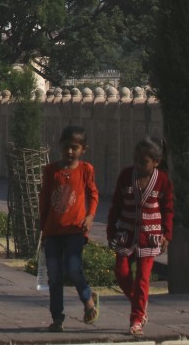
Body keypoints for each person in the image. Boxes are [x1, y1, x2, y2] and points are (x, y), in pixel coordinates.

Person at [107, 136, 173, 336]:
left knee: (143, 278)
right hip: (126, 235)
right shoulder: (126, 176)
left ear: (156, 162)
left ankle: (136, 319)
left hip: (149, 237)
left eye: (143, 162)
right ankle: (140, 303)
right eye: (136, 160)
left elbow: (168, 209)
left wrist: (166, 235)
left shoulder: (162, 180)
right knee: (121, 272)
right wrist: (111, 230)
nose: (138, 164)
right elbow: (116, 204)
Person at [39, 125, 99, 333]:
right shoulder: (51, 171)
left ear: (83, 149)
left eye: (75, 148)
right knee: (54, 275)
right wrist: (42, 228)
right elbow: (45, 198)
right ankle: (57, 317)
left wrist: (90, 217)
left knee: (73, 268)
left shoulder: (85, 170)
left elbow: (93, 195)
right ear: (60, 146)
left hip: (74, 230)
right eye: (66, 147)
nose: (70, 152)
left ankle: (87, 298)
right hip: (53, 231)